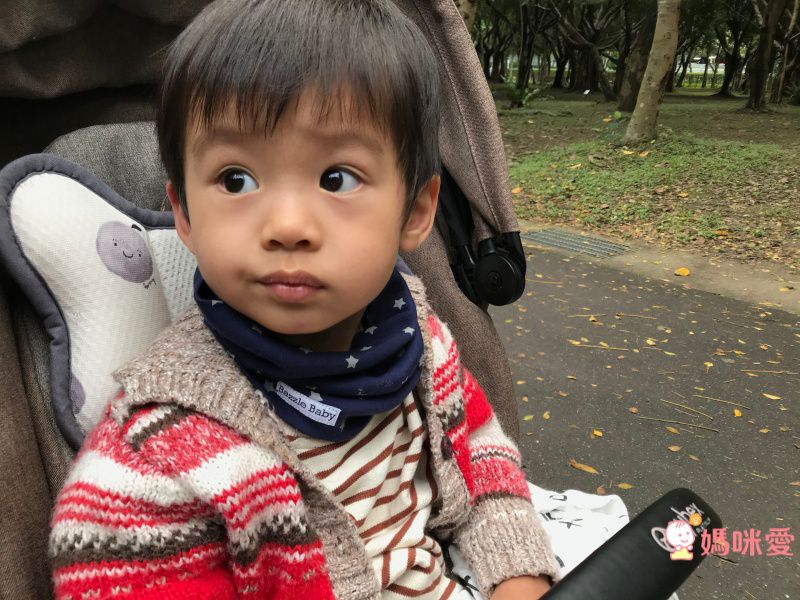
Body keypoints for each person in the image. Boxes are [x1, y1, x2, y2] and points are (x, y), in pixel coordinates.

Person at [48, 0, 561, 598]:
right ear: (183, 213)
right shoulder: (157, 457)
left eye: (337, 178)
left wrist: (518, 574)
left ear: (415, 212)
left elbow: (479, 452)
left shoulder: (422, 346)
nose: (288, 226)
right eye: (236, 179)